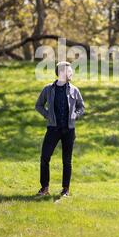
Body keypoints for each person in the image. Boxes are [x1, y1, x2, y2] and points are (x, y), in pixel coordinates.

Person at [35, 61, 85, 197]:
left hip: (69, 130)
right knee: (45, 157)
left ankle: (65, 190)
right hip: (53, 129)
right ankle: (44, 188)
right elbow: (38, 105)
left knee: (67, 161)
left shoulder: (75, 90)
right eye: (69, 71)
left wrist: (75, 115)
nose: (71, 73)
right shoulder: (48, 89)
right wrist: (48, 115)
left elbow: (82, 107)